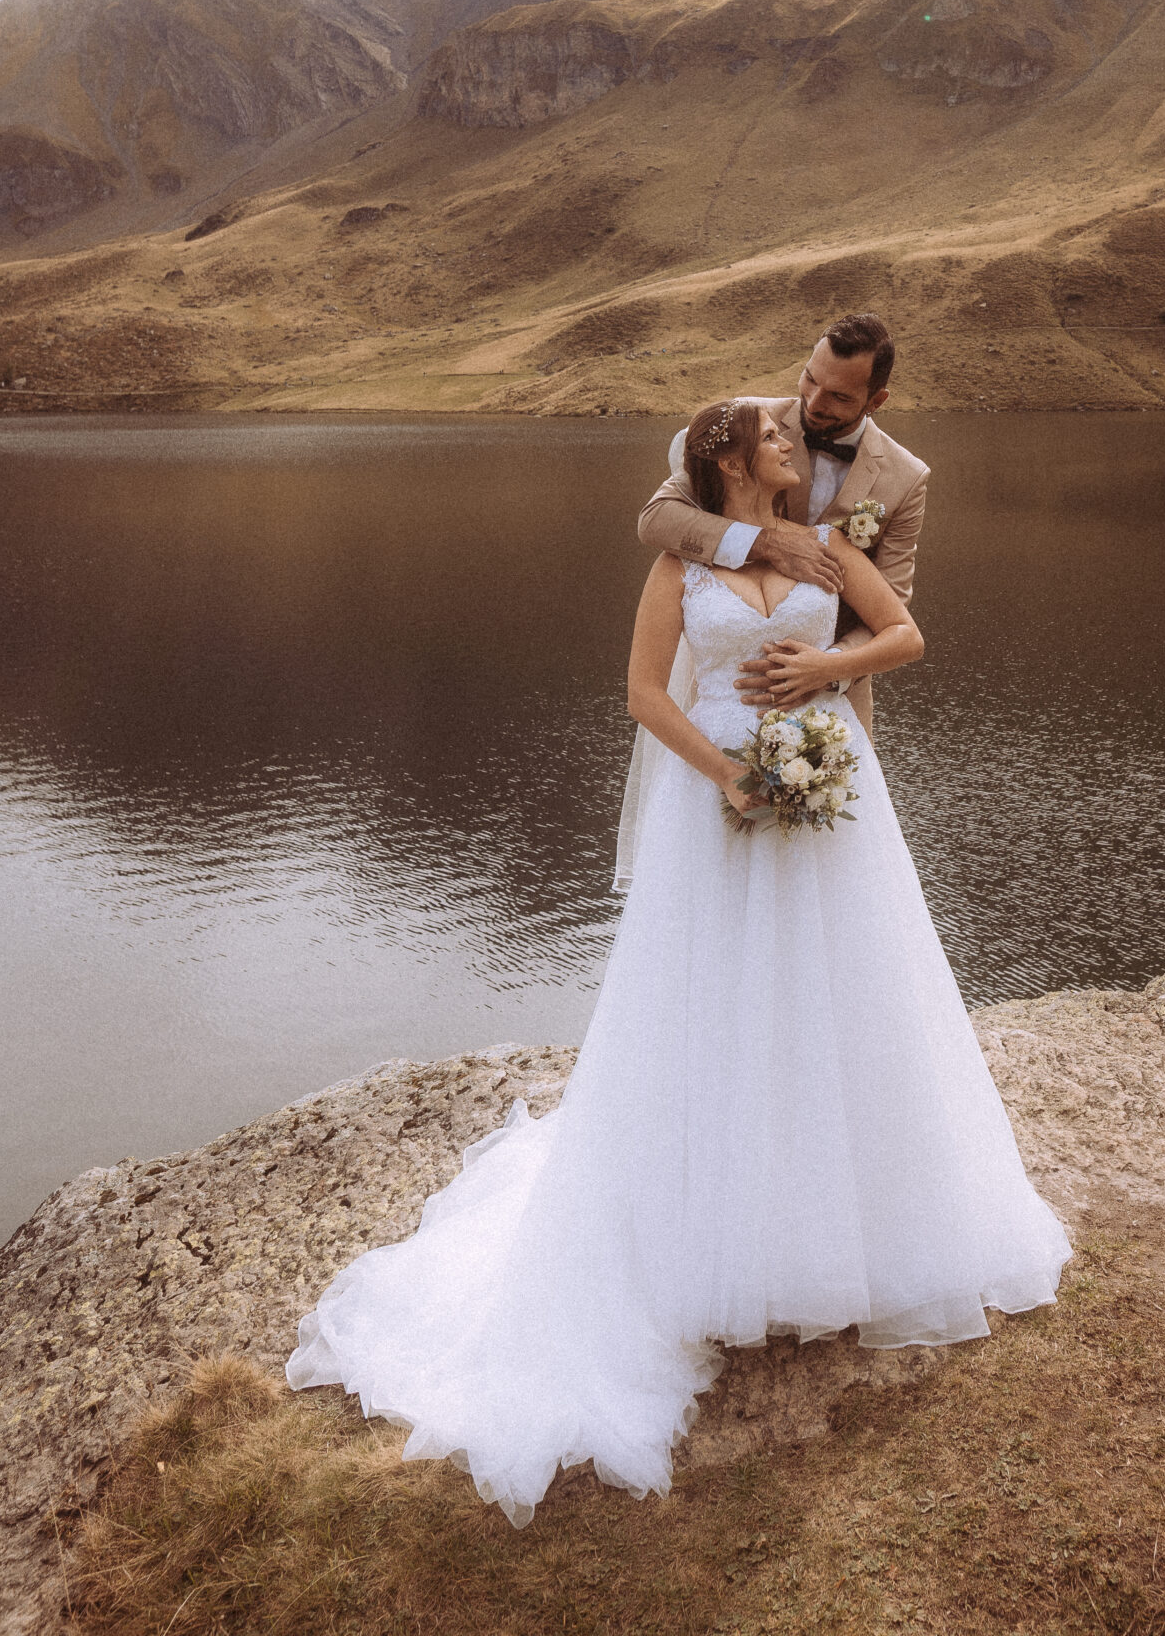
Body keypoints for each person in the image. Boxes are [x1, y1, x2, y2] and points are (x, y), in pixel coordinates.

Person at [286, 400, 1068, 1526]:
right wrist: (731, 776)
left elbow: (909, 638)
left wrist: (828, 671)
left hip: (837, 800)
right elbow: (645, 693)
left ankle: (862, 1224)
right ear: (727, 458)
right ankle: (713, 1229)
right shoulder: (678, 562)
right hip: (721, 812)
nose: (796, 445)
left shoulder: (830, 546)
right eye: (775, 437)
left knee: (845, 1001)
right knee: (713, 1013)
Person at [636, 311, 928, 741]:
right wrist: (766, 543)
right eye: (810, 379)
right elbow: (657, 518)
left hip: (833, 706)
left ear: (876, 401)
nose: (813, 403)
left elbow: (895, 604)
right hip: (729, 692)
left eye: (839, 397)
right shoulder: (748, 422)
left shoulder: (907, 477)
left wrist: (827, 669)